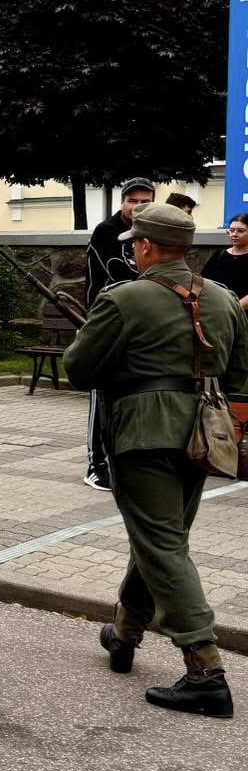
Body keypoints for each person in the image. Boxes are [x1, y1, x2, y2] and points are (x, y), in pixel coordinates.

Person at [65, 203, 248, 718]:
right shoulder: (224, 299)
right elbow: (239, 373)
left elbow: (79, 371)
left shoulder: (124, 298)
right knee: (163, 536)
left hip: (143, 434)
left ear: (144, 247)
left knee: (162, 542)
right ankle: (124, 632)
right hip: (206, 434)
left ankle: (205, 668)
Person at [82, 177, 156, 491]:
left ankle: (131, 459)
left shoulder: (154, 229)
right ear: (122, 202)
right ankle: (96, 465)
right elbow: (116, 273)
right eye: (133, 201)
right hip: (108, 322)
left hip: (145, 325)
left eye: (145, 201)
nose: (138, 207)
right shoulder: (107, 232)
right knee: (101, 394)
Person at [200, 214, 248, 310]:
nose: (234, 234)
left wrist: (234, 309)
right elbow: (204, 282)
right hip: (217, 312)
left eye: (240, 231)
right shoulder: (219, 255)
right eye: (231, 230)